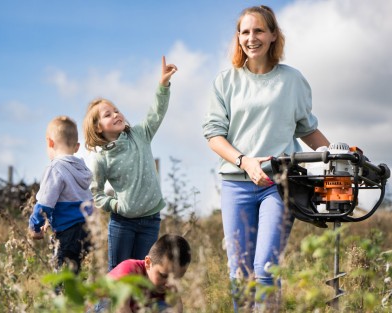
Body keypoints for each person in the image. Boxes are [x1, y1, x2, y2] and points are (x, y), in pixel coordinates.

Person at [202, 5, 331, 311]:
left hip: (280, 183)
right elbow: (214, 136)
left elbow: (308, 130)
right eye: (245, 32)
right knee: (240, 273)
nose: (251, 38)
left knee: (265, 269)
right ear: (238, 37)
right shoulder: (225, 81)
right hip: (236, 184)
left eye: (259, 30)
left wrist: (339, 153)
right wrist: (244, 160)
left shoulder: (292, 81)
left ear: (273, 35)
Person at [83, 56, 178, 271]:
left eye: (116, 110)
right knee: (118, 274)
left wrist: (163, 85)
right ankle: (103, 307)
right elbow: (96, 194)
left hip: (151, 220)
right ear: (98, 128)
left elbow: (156, 113)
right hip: (122, 223)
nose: (116, 114)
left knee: (143, 274)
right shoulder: (101, 159)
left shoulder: (139, 135)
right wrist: (115, 205)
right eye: (108, 114)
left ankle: (139, 307)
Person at [29, 115, 94, 275]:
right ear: (77, 147)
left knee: (61, 278)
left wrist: (35, 227)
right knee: (77, 275)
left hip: (67, 234)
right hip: (87, 231)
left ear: (50, 142)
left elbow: (44, 204)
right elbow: (73, 202)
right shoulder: (82, 169)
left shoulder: (55, 168)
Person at [98, 234, 191, 313]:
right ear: (148, 263)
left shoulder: (170, 285)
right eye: (163, 275)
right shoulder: (129, 269)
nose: (169, 283)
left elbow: (178, 310)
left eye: (176, 278)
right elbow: (120, 308)